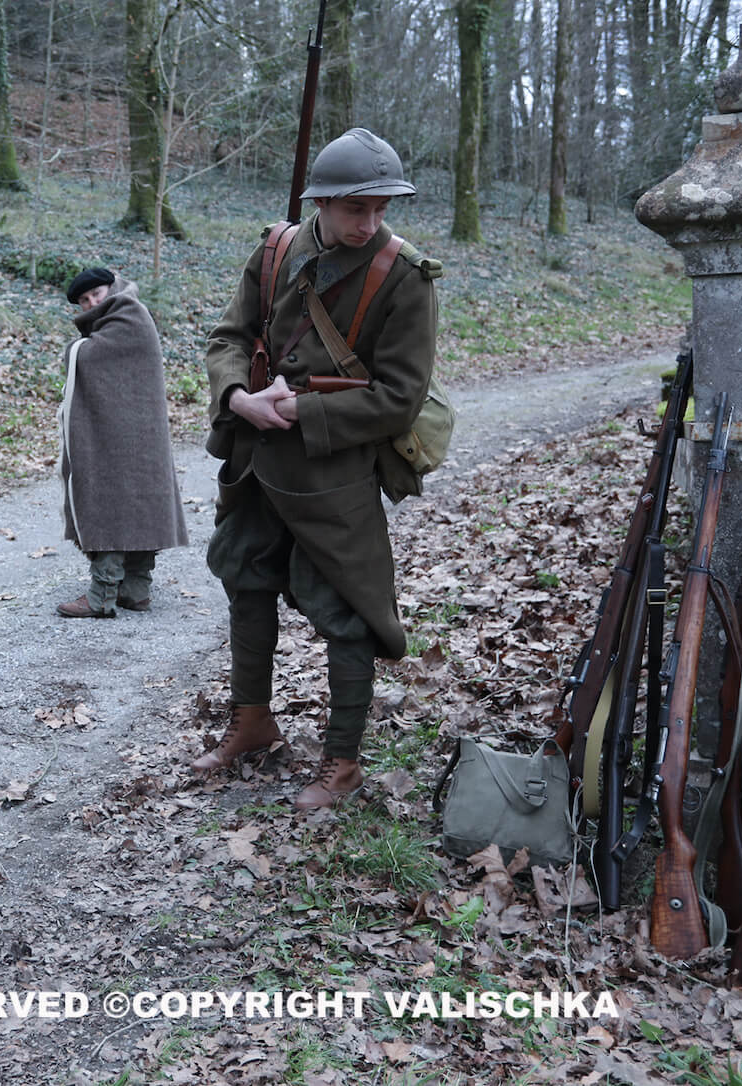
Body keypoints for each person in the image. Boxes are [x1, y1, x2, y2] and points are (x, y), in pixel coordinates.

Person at [195, 129, 440, 810]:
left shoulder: (405, 278)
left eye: (381, 209)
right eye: (356, 209)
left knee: (349, 612)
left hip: (334, 476)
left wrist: (302, 412)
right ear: (323, 202)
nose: (370, 223)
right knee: (245, 582)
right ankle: (252, 723)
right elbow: (230, 338)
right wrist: (239, 396)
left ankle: (343, 760)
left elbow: (399, 397)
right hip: (255, 461)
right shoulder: (276, 248)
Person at [53, 266, 189, 619]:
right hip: (131, 434)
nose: (91, 302)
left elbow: (90, 356)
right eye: (84, 300)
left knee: (112, 501)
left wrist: (76, 348)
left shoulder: (128, 314)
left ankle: (102, 595)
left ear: (112, 287)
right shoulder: (123, 317)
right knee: (138, 503)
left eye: (96, 294)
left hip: (128, 435)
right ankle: (135, 590)